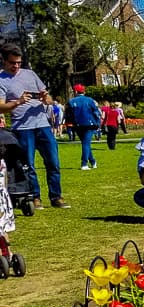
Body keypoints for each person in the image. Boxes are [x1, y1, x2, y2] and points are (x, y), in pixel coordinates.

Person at [0, 45, 68, 209]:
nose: (16, 66)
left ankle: (56, 196)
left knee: (53, 162)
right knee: (28, 165)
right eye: (12, 63)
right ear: (3, 60)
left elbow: (48, 97)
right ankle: (34, 197)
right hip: (22, 128)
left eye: (18, 62)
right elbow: (1, 107)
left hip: (42, 124)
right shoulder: (1, 79)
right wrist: (18, 102)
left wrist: (46, 99)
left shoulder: (30, 74)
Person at [67, 84, 101, 171]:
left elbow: (69, 114)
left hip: (78, 125)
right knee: (86, 144)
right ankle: (87, 162)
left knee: (85, 143)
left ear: (75, 91)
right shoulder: (90, 100)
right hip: (90, 124)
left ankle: (90, 162)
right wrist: (98, 123)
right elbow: (96, 112)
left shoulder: (71, 101)